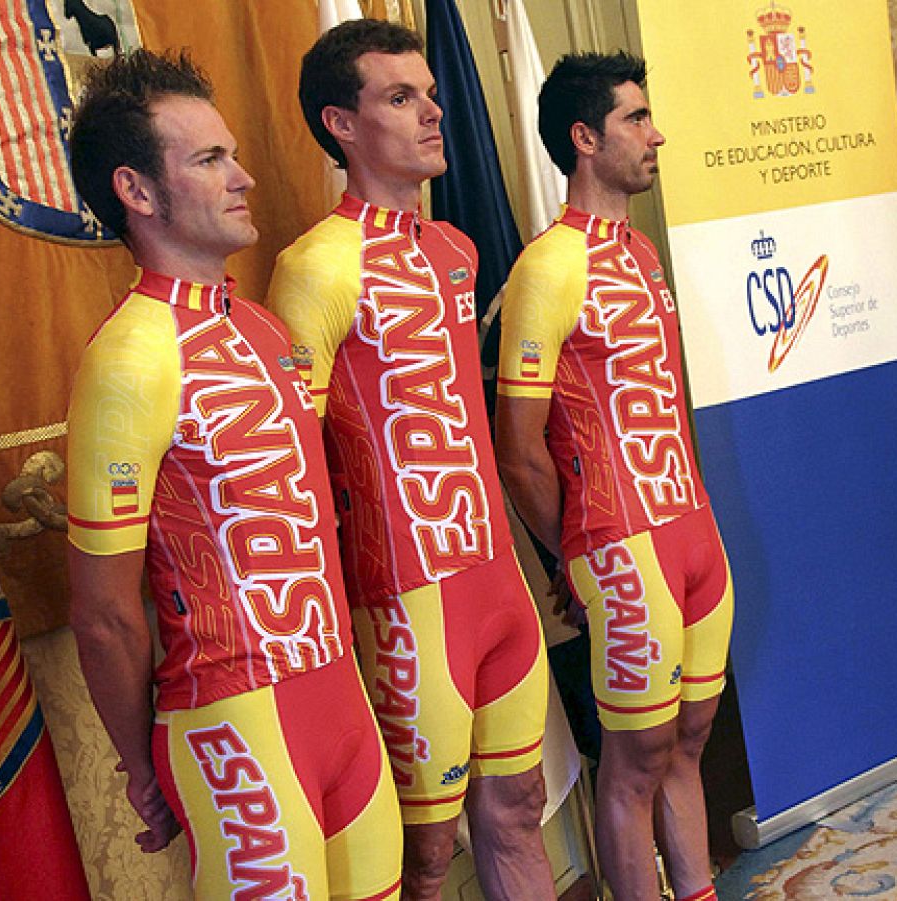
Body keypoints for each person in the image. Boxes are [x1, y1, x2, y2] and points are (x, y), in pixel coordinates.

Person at [65, 49, 402, 899]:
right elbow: (104, 614)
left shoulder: (258, 326)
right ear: (137, 192)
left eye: (233, 153)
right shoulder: (129, 358)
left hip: (340, 701)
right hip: (234, 721)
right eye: (209, 160)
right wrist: (145, 768)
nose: (243, 176)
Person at [266, 21, 554, 901]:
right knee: (424, 855)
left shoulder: (456, 250)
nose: (434, 113)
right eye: (401, 98)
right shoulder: (314, 267)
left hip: (496, 580)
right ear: (341, 124)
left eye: (430, 94)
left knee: (519, 807)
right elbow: (294, 463)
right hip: (405, 600)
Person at [496, 51, 732, 901]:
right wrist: (575, 554)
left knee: (690, 742)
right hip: (619, 543)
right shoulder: (547, 267)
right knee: (633, 763)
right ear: (585, 137)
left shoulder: (639, 251)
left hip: (692, 529)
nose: (655, 133)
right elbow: (518, 449)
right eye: (637, 118)